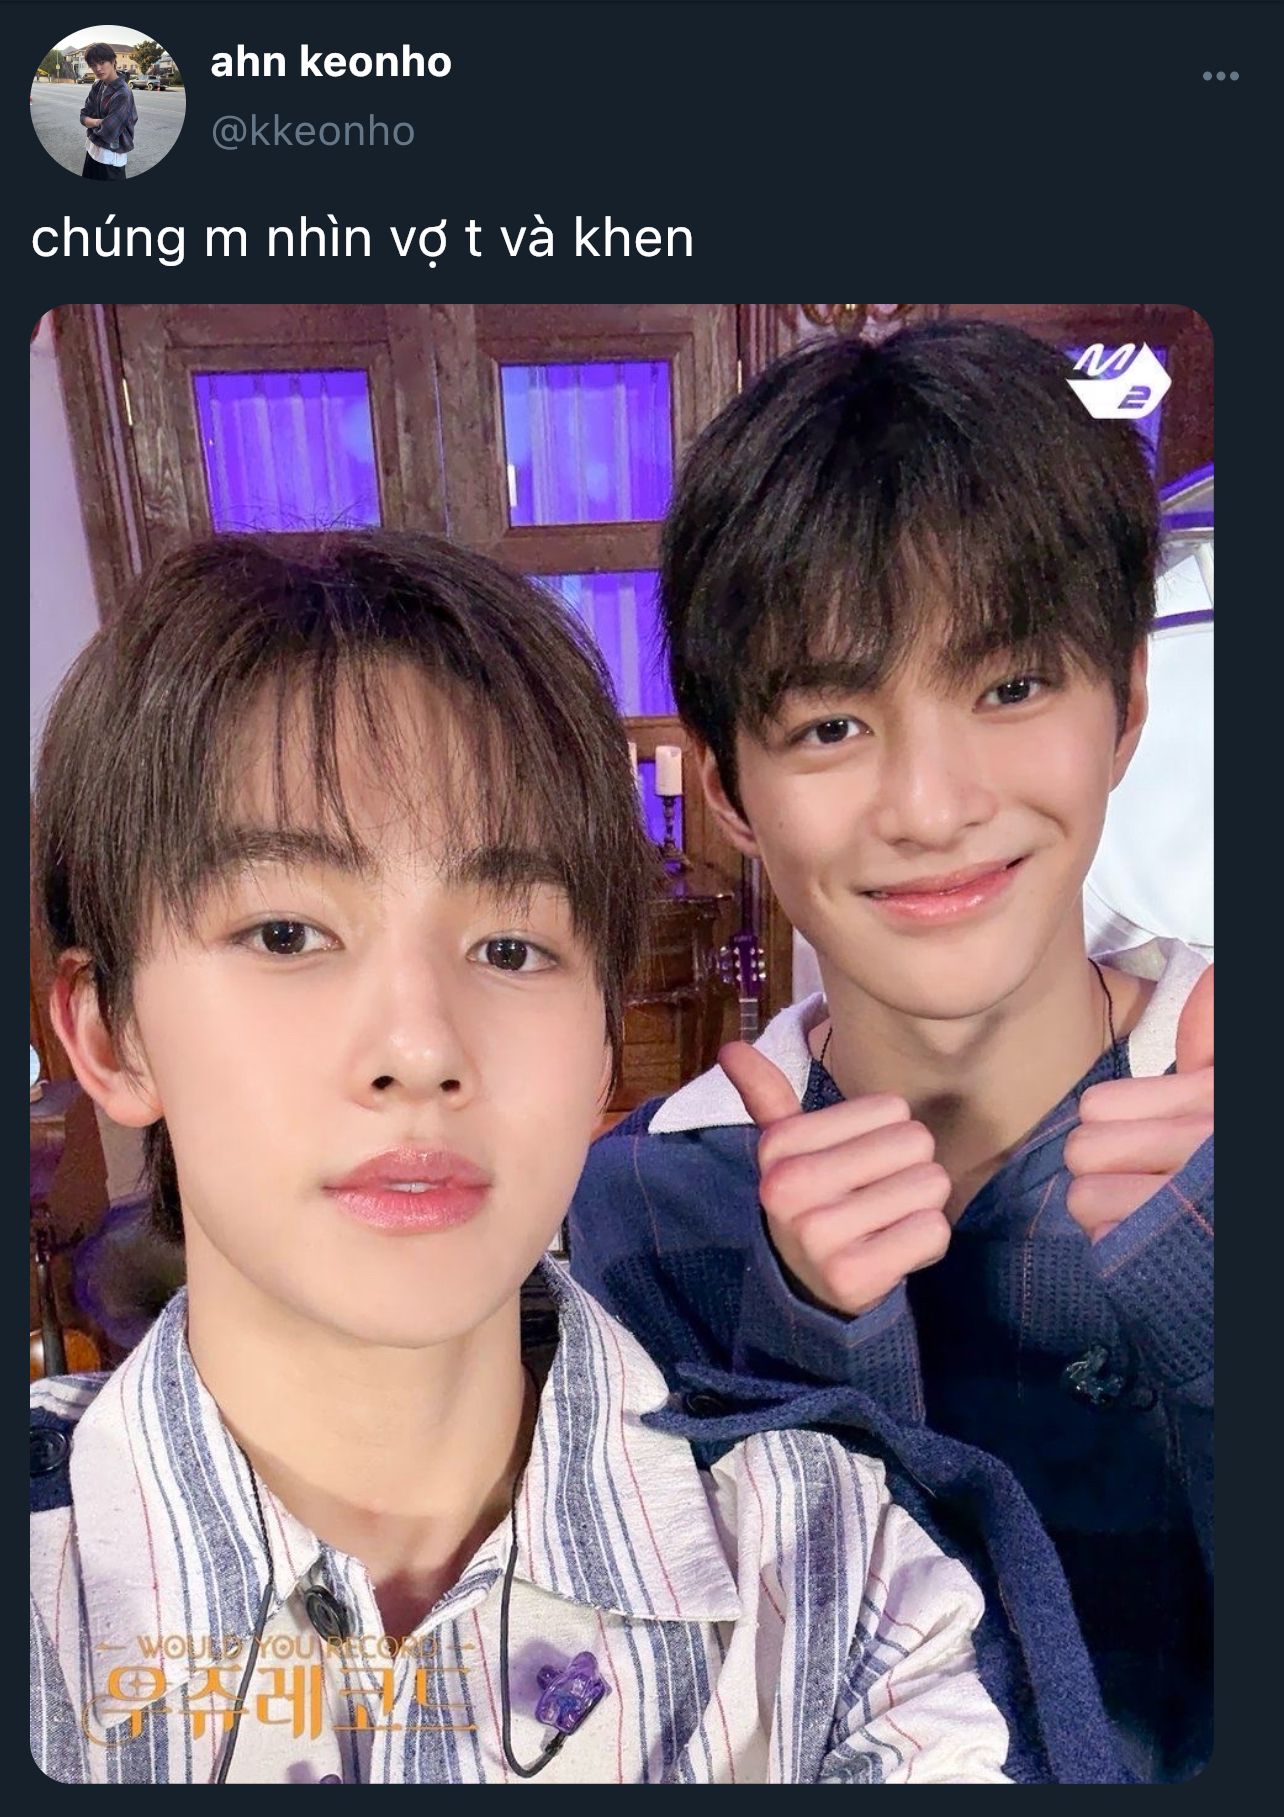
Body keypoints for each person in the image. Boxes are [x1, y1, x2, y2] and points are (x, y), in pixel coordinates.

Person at [29, 531, 1110, 1784]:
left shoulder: (842, 1580)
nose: (420, 1049)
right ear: (108, 1034)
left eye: (510, 948)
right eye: (286, 932)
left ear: (604, 1043)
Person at [568, 322, 1213, 1782]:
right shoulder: (651, 1205)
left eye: (1010, 688)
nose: (929, 805)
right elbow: (683, 1714)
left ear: (1126, 707)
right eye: (832, 723)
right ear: (728, 786)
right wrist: (807, 1340)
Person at [78, 44, 137, 181]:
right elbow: (83, 116)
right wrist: (98, 122)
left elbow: (108, 132)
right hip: (92, 151)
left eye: (102, 62)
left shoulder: (123, 93)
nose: (98, 68)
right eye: (93, 65)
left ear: (113, 61)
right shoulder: (97, 85)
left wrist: (90, 124)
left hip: (110, 158)